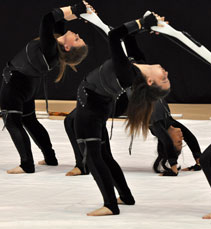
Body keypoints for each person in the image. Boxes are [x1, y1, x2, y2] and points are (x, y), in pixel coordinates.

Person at [64, 12, 171, 216]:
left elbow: (114, 36)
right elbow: (127, 37)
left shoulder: (127, 73)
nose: (166, 74)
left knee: (94, 158)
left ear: (150, 82)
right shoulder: (140, 62)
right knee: (105, 155)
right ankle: (125, 196)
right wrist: (148, 25)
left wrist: (141, 23)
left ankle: (110, 205)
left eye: (164, 80)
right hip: (98, 105)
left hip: (91, 110)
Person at [0, 1, 90, 174]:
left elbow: (47, 18)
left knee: (12, 122)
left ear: (68, 46)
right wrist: (79, 13)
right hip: (27, 85)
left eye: (77, 39)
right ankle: (50, 157)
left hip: (16, 84)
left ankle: (26, 164)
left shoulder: (50, 48)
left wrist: (75, 9)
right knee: (30, 121)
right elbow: (60, 20)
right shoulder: (55, 45)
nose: (77, 34)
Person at [149, 98, 201, 176]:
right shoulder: (170, 122)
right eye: (182, 141)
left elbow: (167, 143)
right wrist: (199, 163)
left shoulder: (156, 125)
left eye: (178, 141)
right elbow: (190, 138)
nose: (182, 138)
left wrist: (174, 169)